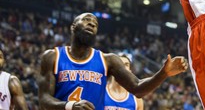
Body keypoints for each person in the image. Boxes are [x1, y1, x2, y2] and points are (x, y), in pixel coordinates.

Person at [38, 12, 188, 110]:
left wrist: (164, 73)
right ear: (73, 27)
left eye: (95, 24)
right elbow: (44, 99)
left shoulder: (107, 60)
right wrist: (70, 106)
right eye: (86, 20)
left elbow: (137, 88)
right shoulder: (53, 57)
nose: (91, 24)